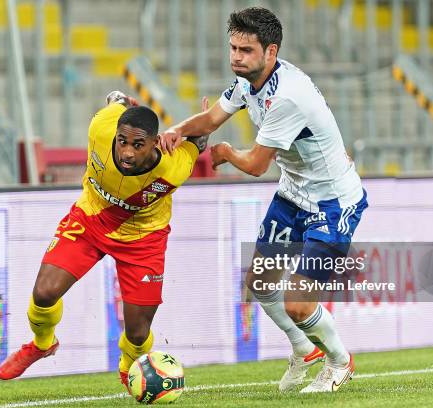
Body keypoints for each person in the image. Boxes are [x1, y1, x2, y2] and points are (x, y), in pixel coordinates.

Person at [160, 7, 368, 393]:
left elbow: (256, 164)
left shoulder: (287, 96)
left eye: (246, 50)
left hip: (333, 203)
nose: (236, 56)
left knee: (298, 304)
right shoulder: (248, 84)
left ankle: (340, 361)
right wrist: (175, 129)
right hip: (293, 194)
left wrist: (223, 152)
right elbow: (209, 120)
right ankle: (304, 350)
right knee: (260, 280)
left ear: (270, 52)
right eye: (233, 48)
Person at [0, 91, 210, 391]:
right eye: (123, 141)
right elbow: (115, 102)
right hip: (90, 219)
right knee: (44, 292)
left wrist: (202, 128)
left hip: (143, 238)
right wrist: (120, 100)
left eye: (138, 145)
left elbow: (197, 144)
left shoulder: (173, 167)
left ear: (154, 142)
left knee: (137, 333)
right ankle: (42, 343)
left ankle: (128, 366)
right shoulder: (101, 127)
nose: (127, 152)